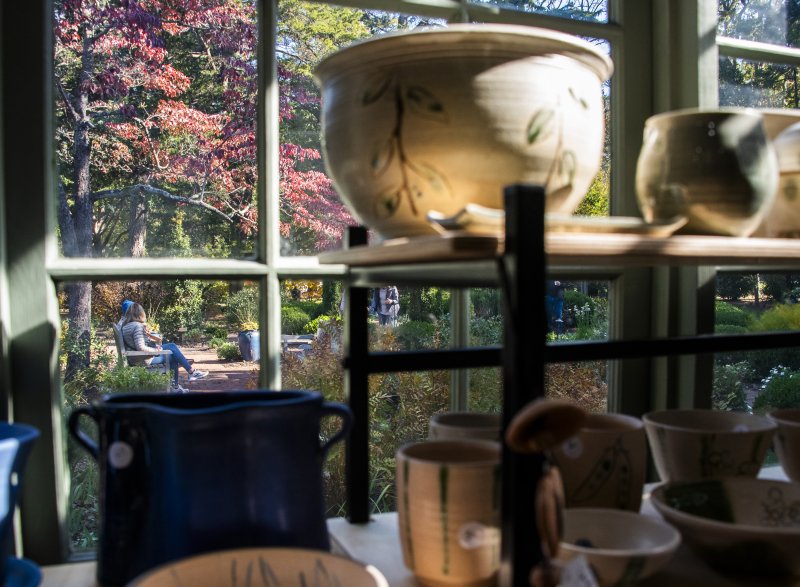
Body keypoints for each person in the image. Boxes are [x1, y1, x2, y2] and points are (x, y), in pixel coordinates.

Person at [119, 302, 208, 392]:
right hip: (142, 360)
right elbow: (141, 347)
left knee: (172, 346)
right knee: (173, 357)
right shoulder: (137, 326)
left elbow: (138, 344)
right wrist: (156, 351)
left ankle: (187, 376)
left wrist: (150, 337)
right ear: (140, 313)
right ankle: (183, 380)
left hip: (135, 358)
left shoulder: (127, 326)